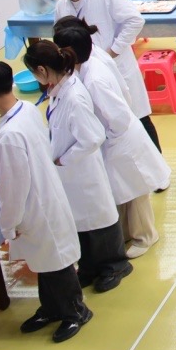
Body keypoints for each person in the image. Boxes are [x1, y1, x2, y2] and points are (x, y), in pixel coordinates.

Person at [0, 61, 92, 342]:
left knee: (56, 262)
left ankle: (76, 311)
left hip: (35, 207)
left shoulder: (8, 137)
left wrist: (8, 225)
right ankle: (51, 308)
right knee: (44, 262)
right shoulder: (26, 108)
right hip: (46, 195)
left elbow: (13, 187)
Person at [23, 39, 132, 294]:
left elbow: (93, 137)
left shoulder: (74, 96)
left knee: (98, 219)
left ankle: (116, 265)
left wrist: (64, 159)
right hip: (71, 171)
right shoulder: (60, 89)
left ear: (42, 70)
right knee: (82, 222)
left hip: (82, 170)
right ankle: (90, 267)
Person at [53, 21, 170, 256]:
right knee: (123, 191)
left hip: (120, 138)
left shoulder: (94, 79)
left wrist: (107, 137)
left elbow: (117, 117)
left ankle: (145, 236)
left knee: (135, 191)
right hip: (117, 137)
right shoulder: (90, 63)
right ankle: (128, 233)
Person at [46, 0, 160, 149]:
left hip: (116, 66)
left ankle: (157, 160)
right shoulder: (61, 6)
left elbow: (134, 21)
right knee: (103, 122)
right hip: (84, 72)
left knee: (138, 117)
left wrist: (112, 51)